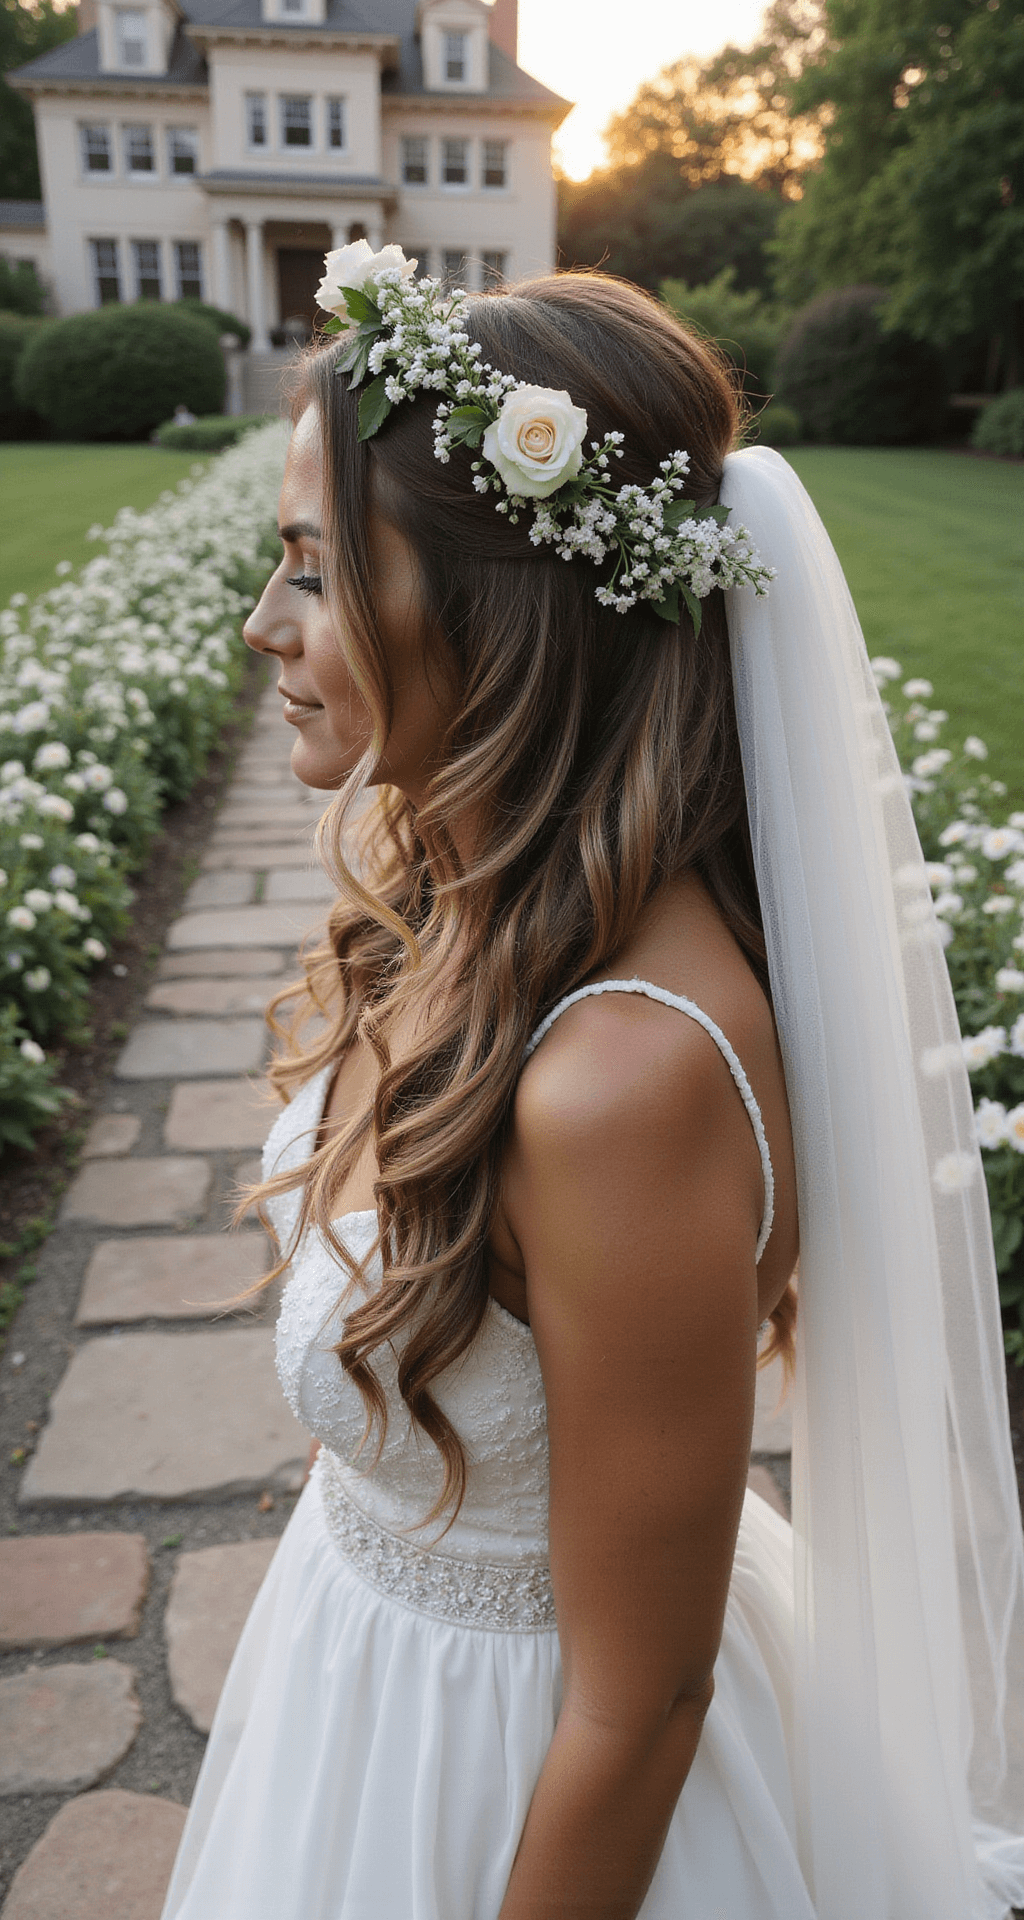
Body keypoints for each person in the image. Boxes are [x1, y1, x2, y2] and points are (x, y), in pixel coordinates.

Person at [160, 253, 1024, 1920]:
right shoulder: (478, 901)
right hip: (369, 1680)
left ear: (501, 609)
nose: (265, 627)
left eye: (315, 575)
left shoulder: (625, 1080)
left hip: (521, 1785)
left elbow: (642, 1705)